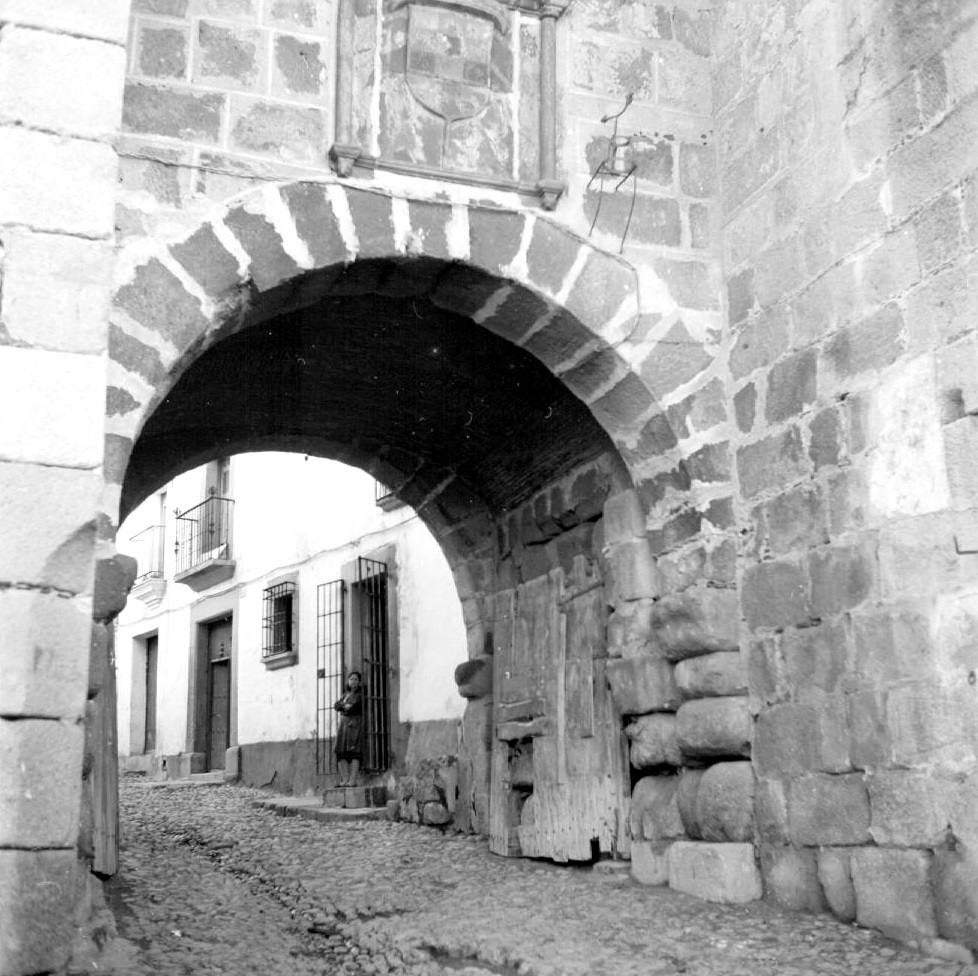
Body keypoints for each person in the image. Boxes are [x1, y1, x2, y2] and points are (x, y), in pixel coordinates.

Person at [333, 671, 363, 787]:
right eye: (351, 679)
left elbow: (355, 708)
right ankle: (345, 780)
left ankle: (352, 780)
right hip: (343, 726)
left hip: (354, 725)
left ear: (359, 682)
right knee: (340, 752)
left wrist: (344, 707)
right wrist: (345, 706)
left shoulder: (360, 695)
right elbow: (336, 705)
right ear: (348, 681)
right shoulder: (345, 694)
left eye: (355, 679)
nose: (353, 681)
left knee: (354, 752)